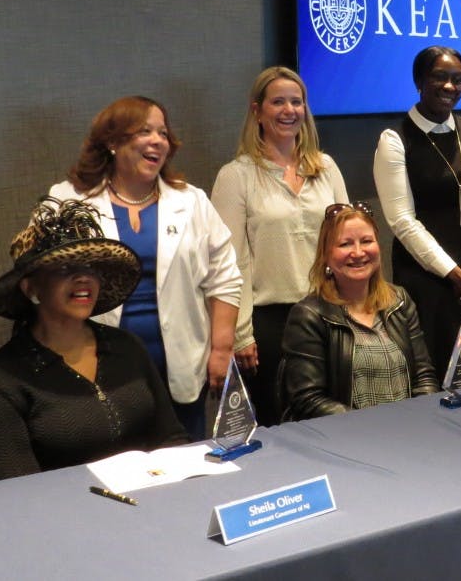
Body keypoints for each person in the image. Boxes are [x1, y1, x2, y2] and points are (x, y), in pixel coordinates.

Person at [49, 96, 241, 440]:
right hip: (99, 363)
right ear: (112, 141)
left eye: (163, 133)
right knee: (113, 458)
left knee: (184, 456)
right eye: (144, 131)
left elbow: (224, 277)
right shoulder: (67, 201)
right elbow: (42, 281)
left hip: (180, 365)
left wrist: (222, 349)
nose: (158, 141)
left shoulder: (191, 201)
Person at [0, 198, 187, 481]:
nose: (83, 277)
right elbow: (17, 489)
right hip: (59, 508)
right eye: (65, 268)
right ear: (31, 288)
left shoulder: (127, 347)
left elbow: (171, 438)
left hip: (154, 499)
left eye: (91, 267)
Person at [211, 66, 348, 426]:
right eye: (278, 102)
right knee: (281, 425)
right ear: (257, 111)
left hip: (331, 312)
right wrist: (241, 332)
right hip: (271, 325)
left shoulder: (326, 168)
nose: (289, 110)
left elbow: (348, 243)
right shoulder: (236, 176)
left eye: (296, 102)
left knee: (340, 419)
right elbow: (231, 263)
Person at [373, 46, 461, 383]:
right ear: (419, 81)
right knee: (440, 377)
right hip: (429, 279)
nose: (450, 86)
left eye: (457, 79)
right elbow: (402, 221)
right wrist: (456, 276)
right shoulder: (395, 139)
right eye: (440, 77)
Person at [281, 202, 439, 420]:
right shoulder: (308, 315)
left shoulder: (399, 301)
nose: (358, 252)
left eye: (366, 241)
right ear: (326, 255)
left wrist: (421, 418)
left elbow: (424, 377)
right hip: (346, 434)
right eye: (345, 244)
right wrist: (370, 425)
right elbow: (308, 400)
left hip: (409, 427)